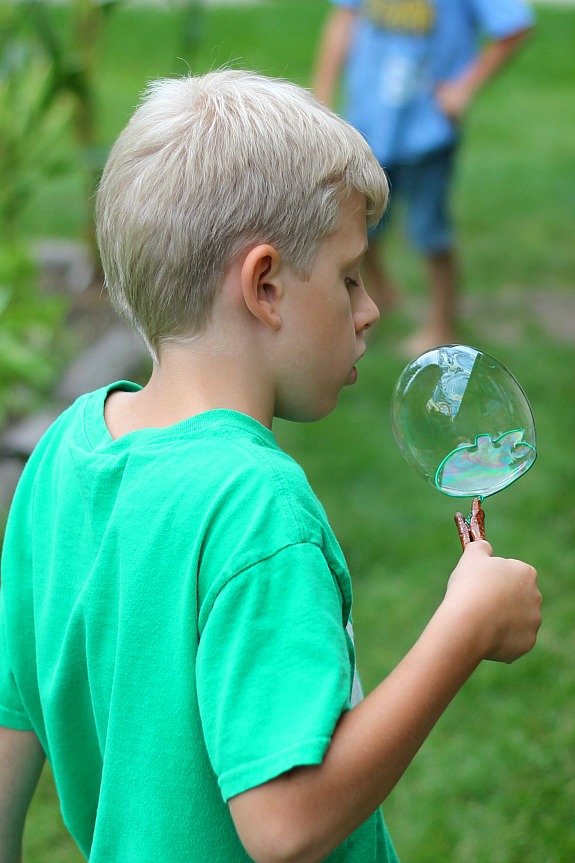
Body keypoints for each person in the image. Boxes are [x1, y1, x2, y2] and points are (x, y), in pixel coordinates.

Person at [0, 70, 541, 863]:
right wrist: (462, 628)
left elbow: (13, 717)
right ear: (265, 286)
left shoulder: (67, 450)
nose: (369, 310)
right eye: (350, 276)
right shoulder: (255, 505)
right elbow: (285, 825)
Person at [313, 0, 534, 354]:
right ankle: (383, 292)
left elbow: (515, 25)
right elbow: (344, 17)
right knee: (358, 224)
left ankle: (442, 325)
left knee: (429, 232)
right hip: (366, 125)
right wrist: (322, 95)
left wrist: (463, 88)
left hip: (426, 133)